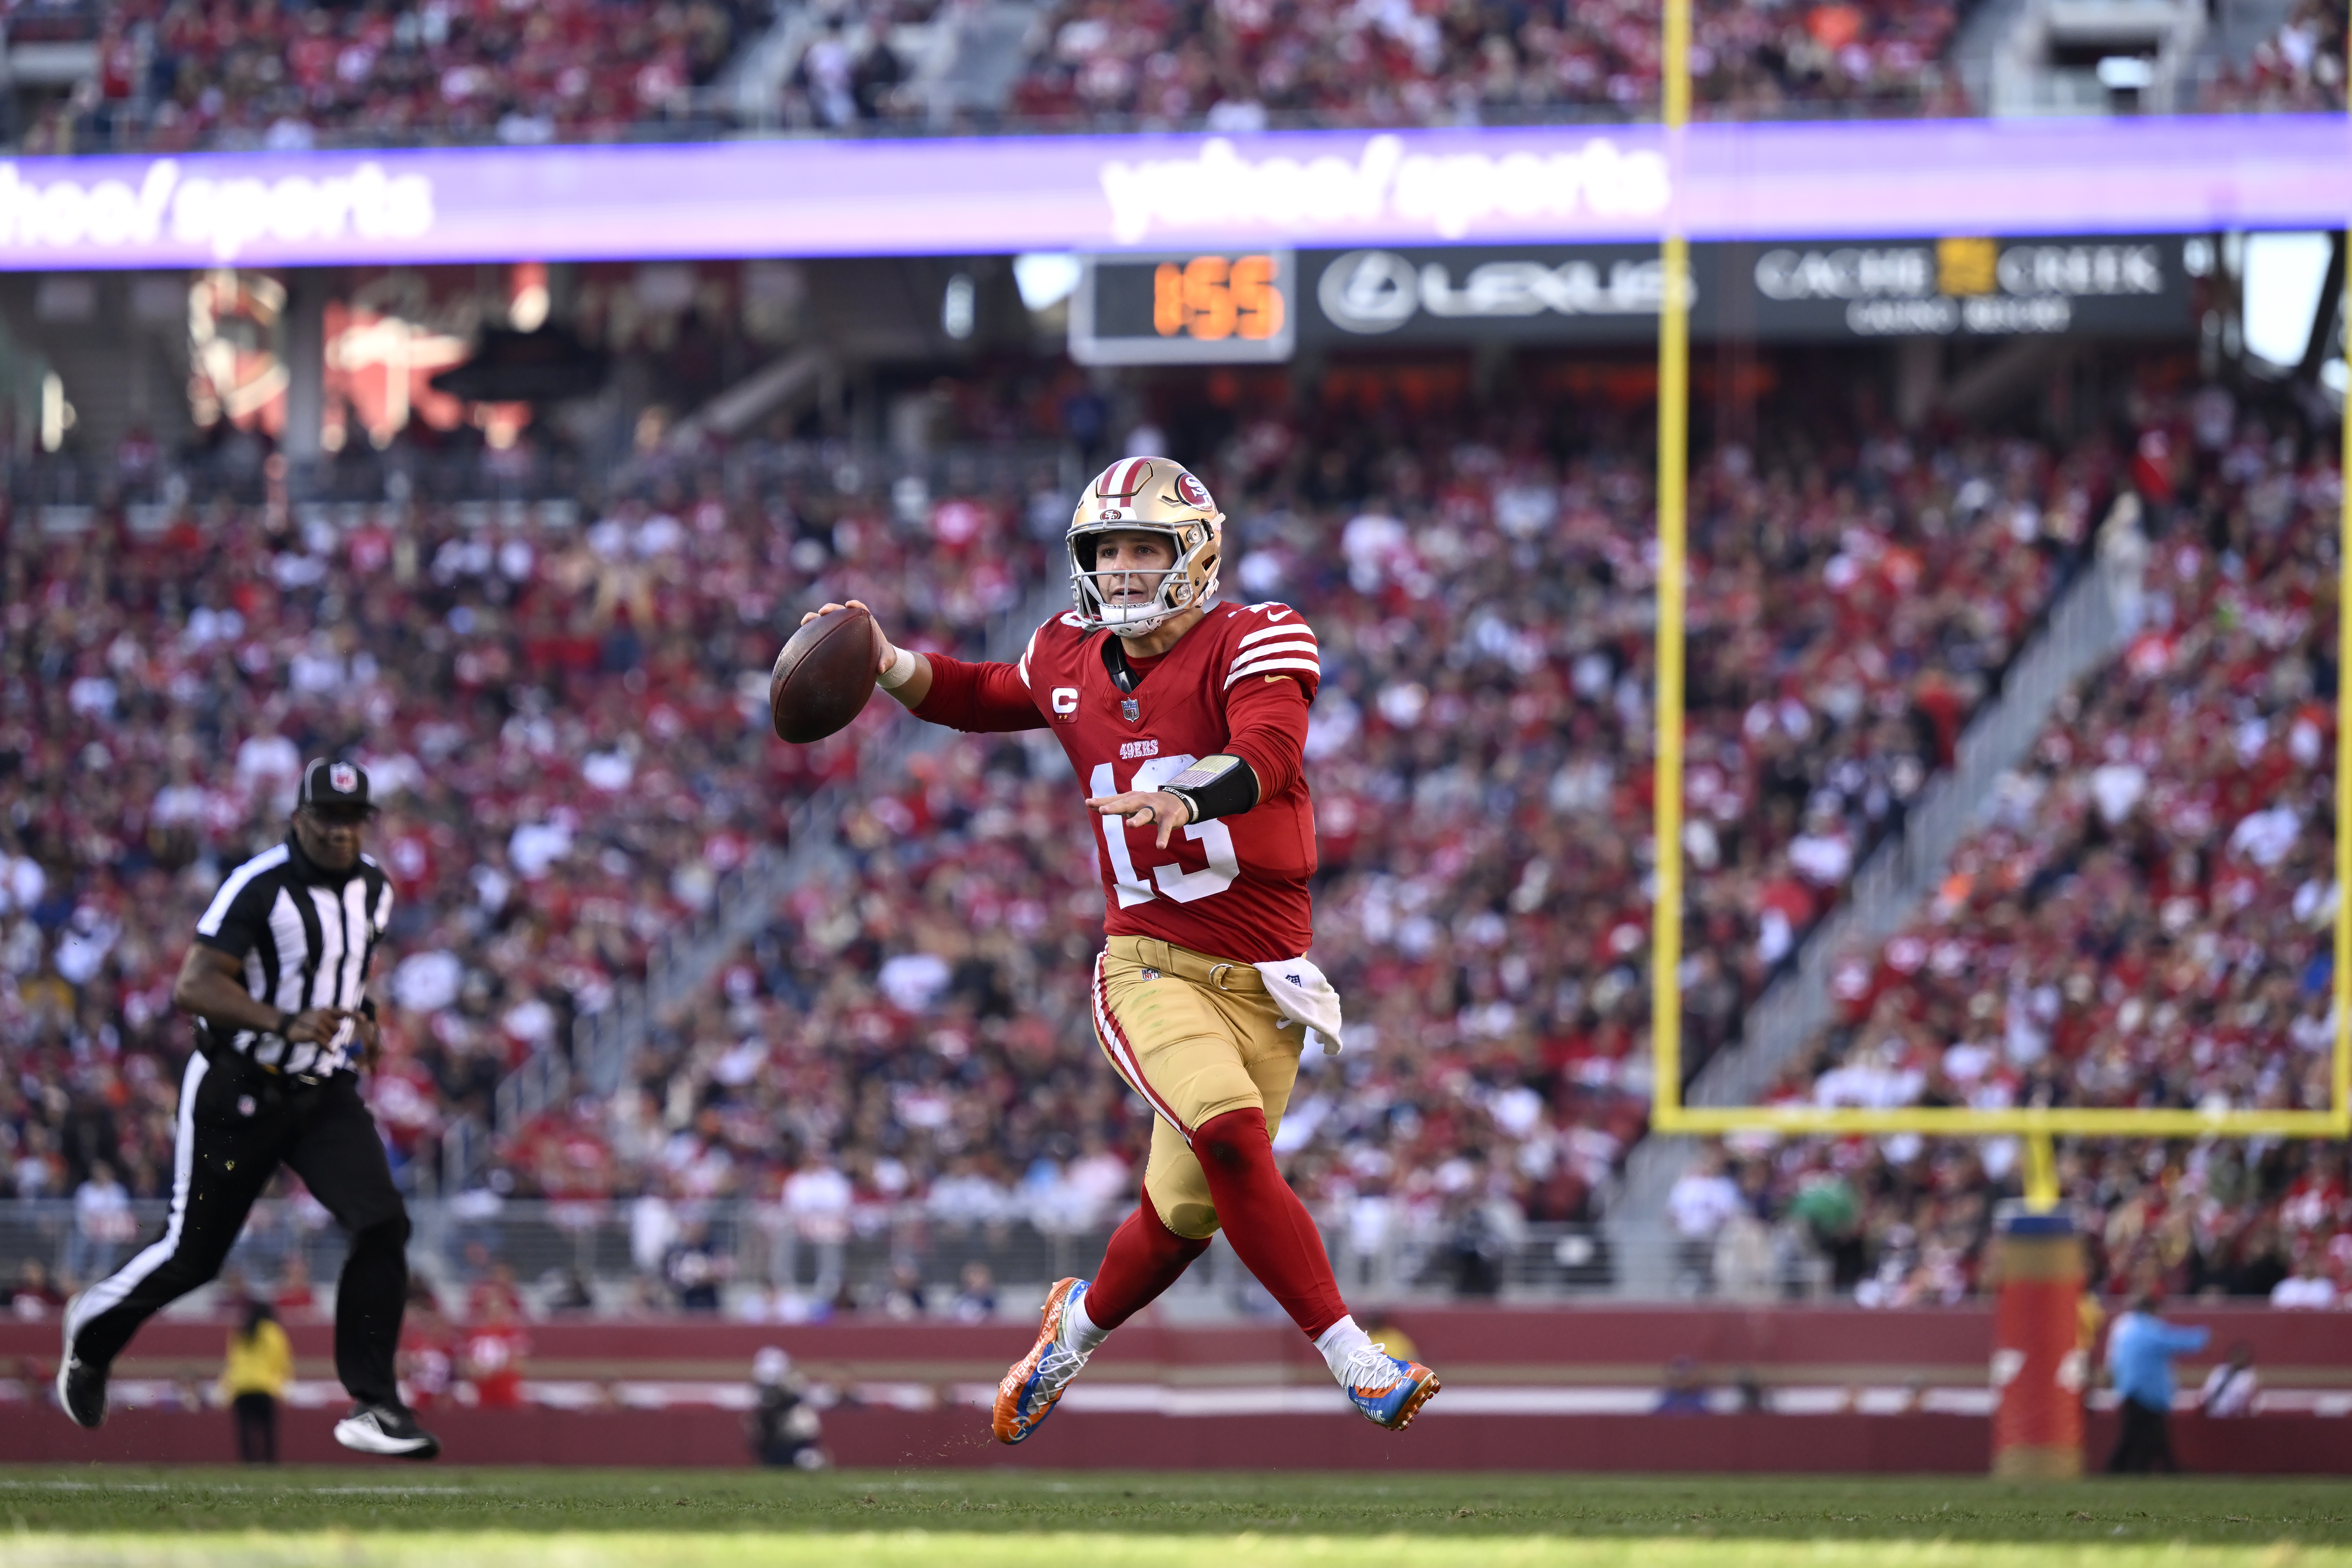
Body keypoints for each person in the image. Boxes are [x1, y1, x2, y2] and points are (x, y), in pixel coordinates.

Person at [802, 456, 1439, 1444]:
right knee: (1230, 1138)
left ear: (1199, 554)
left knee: (1184, 1220)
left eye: (1146, 547)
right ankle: (1355, 1358)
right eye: (1109, 550)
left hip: (1267, 982)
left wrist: (1186, 794)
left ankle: (1069, 1336)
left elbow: (1269, 754)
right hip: (1148, 964)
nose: (1125, 569)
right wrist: (886, 660)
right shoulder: (1068, 654)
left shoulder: (1257, 635)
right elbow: (977, 693)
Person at [56, 760, 439, 1459]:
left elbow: (344, 966)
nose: (340, 831)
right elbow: (194, 985)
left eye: (352, 818)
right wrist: (283, 1021)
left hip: (322, 1089)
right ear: (299, 816)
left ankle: (375, 1402)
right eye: (328, 816)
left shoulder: (376, 888)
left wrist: (366, 1016)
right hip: (239, 1086)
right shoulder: (259, 885)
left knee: (382, 1220)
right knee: (193, 1257)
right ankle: (94, 1330)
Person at [2104, 1292, 2209, 1473]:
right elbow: (2172, 1341)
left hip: (2132, 1389)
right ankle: (2126, 1467)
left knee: (2143, 1433)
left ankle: (2144, 1467)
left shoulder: (2125, 1328)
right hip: (2145, 1392)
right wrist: (2203, 1337)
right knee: (2142, 1433)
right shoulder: (2146, 1330)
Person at [219, 1297, 293, 1464]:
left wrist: (227, 1386)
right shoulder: (273, 1332)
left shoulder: (240, 1332)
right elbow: (281, 1361)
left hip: (242, 1386)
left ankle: (248, 1462)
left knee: (245, 1429)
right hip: (265, 1386)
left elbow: (232, 1361)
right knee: (267, 1428)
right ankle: (269, 1461)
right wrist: (283, 1384)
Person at [745, 1345, 826, 1469]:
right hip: (772, 1442)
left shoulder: (796, 1389)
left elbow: (806, 1426)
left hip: (795, 1439)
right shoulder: (761, 1390)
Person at [2199, 1341, 2258, 1417]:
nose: (2238, 1358)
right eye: (2236, 1354)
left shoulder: (2250, 1377)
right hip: (2210, 1414)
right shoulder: (2220, 1370)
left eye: (2242, 1355)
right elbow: (2207, 1390)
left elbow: (2242, 1399)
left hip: (2233, 1417)